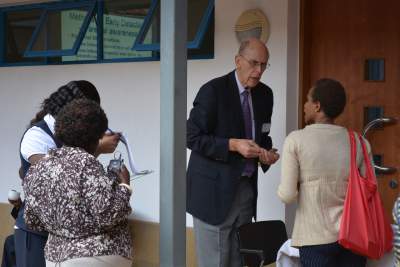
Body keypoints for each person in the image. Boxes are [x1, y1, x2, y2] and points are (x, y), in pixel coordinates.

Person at [186, 37, 280, 267]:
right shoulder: (213, 91)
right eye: (254, 63)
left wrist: (266, 153)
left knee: (241, 259)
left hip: (246, 189)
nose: (258, 71)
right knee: (216, 261)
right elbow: (191, 136)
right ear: (238, 61)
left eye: (264, 65)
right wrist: (232, 144)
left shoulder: (265, 95)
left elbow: (262, 135)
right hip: (212, 192)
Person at [16, 81, 121, 267]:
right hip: (36, 232)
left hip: (64, 236)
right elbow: (58, 176)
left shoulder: (71, 135)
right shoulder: (36, 135)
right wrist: (97, 147)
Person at [277, 78, 369, 266]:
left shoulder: (296, 140)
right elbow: (369, 191)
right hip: (353, 235)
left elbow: (287, 195)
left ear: (317, 106)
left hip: (314, 238)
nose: (304, 105)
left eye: (307, 101)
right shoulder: (358, 141)